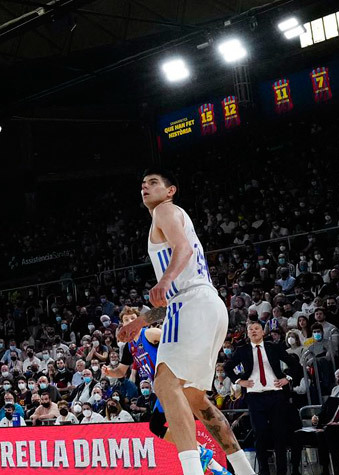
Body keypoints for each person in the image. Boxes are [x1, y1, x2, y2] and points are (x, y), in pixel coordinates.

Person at [118, 171, 256, 475]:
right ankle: (245, 470)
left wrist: (165, 279)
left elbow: (184, 251)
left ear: (171, 191)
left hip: (192, 303)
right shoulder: (172, 216)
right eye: (142, 183)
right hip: (208, 303)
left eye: (153, 183)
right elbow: (179, 289)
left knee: (164, 384)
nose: (145, 186)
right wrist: (141, 321)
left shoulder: (164, 211)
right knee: (195, 398)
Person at [111, 306, 233, 475]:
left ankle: (208, 455)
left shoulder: (149, 333)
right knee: (160, 426)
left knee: (161, 424)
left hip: (173, 381)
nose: (130, 322)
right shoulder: (130, 347)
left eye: (133, 319)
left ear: (139, 320)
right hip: (161, 388)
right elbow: (121, 371)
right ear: (122, 325)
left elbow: (174, 341)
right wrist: (109, 372)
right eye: (126, 320)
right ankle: (214, 465)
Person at [224, 322, 302, 475]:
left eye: (257, 329)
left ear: (262, 332)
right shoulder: (242, 350)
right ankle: (263, 472)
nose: (253, 331)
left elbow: (295, 364)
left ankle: (281, 471)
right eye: (250, 329)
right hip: (254, 396)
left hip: (276, 394)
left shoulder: (273, 347)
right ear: (247, 333)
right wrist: (239, 381)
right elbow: (227, 367)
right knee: (259, 434)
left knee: (279, 434)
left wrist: (287, 378)